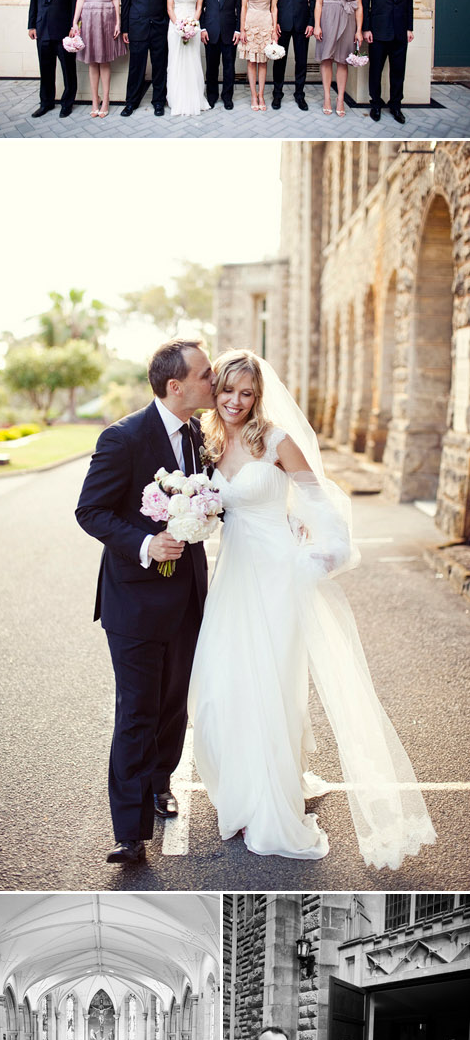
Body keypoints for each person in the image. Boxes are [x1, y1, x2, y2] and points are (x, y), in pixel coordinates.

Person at [189, 350, 436, 867]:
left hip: (278, 575)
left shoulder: (276, 440)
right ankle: (242, 786)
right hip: (234, 576)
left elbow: (318, 501)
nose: (235, 401)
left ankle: (271, 803)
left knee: (269, 685)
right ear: (216, 393)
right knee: (220, 685)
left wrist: (323, 548)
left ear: (259, 396)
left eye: (246, 393)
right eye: (228, 391)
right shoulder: (208, 440)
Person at [75, 338, 214, 863]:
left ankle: (160, 782)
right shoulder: (123, 438)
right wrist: (145, 543)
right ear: (175, 386)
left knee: (173, 702)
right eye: (204, 374)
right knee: (136, 708)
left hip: (188, 596)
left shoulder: (200, 434)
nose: (212, 381)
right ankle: (129, 833)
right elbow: (90, 510)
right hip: (133, 602)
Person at [70, 0, 126, 117]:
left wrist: (118, 22)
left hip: (106, 16)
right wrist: (75, 22)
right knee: (92, 60)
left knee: (104, 60)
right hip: (87, 17)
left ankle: (106, 100)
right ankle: (95, 99)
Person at [361, 0, 414, 123]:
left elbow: (408, 2)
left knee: (398, 71)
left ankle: (396, 106)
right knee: (375, 70)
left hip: (400, 32)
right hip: (378, 31)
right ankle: (375, 104)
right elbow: (364, 3)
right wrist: (365, 29)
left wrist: (409, 27)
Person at [27, 0, 79, 119]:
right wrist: (31, 25)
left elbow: (75, 4)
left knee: (68, 69)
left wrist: (74, 26)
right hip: (42, 31)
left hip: (64, 31)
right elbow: (34, 2)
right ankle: (46, 103)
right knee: (46, 69)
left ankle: (67, 104)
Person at [121, 0, 169, 116]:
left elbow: (166, 1)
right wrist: (125, 29)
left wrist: (166, 24)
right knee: (136, 67)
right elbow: (125, 4)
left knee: (159, 67)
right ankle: (131, 102)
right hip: (137, 28)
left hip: (159, 28)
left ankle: (158, 102)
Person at [314, 0, 363, 116]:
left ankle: (340, 98)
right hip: (327, 22)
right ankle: (327, 97)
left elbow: (360, 6)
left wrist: (359, 30)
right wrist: (317, 25)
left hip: (347, 22)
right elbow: (318, 3)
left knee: (343, 61)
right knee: (326, 59)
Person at [271, 0, 317, 111]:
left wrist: (312, 22)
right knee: (279, 60)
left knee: (301, 61)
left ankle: (299, 94)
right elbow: (272, 0)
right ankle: (277, 94)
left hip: (302, 24)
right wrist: (274, 23)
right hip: (281, 24)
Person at [166, 0, 208, 117]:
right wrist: (179, 26)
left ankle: (194, 99)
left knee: (192, 61)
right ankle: (177, 99)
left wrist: (191, 26)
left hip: (193, 27)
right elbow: (170, 8)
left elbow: (199, 7)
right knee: (176, 62)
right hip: (175, 27)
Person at [200, 0, 243, 109]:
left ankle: (227, 97)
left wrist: (238, 30)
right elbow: (201, 7)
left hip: (230, 32)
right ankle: (211, 96)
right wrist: (202, 28)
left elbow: (240, 8)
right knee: (211, 67)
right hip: (210, 32)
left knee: (229, 67)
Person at [239, 0, 278, 110]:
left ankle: (261, 95)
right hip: (251, 23)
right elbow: (243, 7)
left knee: (263, 61)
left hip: (266, 23)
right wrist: (242, 29)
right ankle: (253, 96)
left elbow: (274, 8)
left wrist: (274, 29)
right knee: (251, 61)